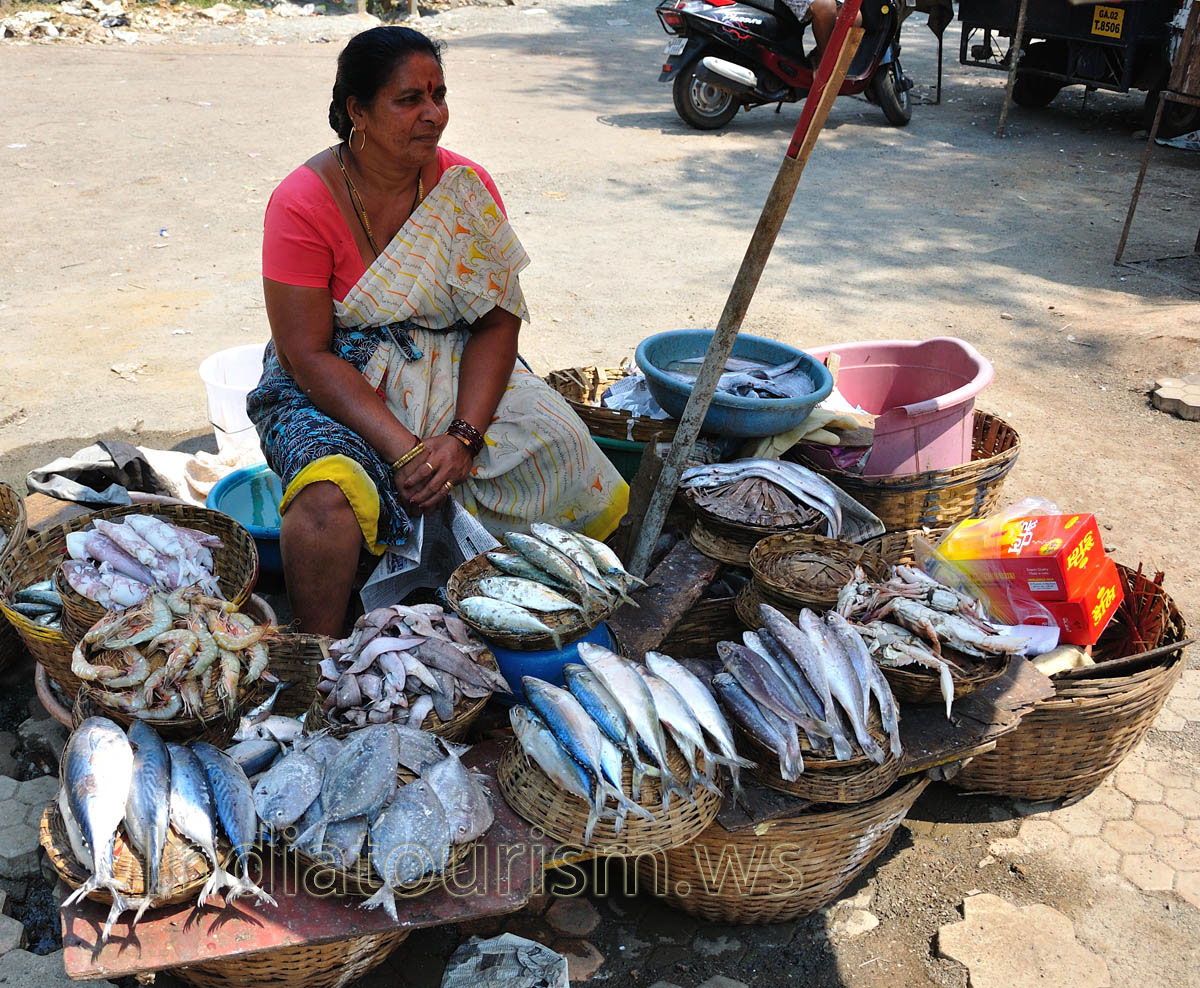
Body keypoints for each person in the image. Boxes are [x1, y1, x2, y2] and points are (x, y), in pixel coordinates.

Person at [248, 26, 629, 635]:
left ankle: (538, 612)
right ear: (357, 112)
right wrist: (409, 449)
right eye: (409, 100)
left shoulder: (465, 190)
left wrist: (463, 436)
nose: (433, 115)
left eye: (439, 95)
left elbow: (498, 321)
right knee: (327, 503)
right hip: (338, 372)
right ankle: (317, 661)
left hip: (452, 355)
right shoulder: (301, 202)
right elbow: (306, 354)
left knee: (562, 443)